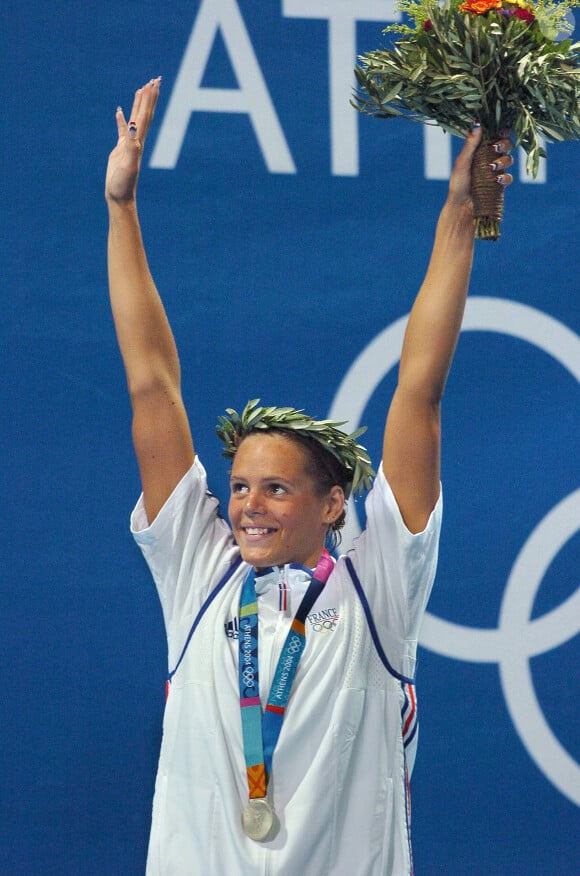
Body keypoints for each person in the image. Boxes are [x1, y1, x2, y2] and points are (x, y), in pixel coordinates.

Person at [106, 78, 513, 876]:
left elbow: (419, 392)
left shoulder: (378, 590)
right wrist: (121, 207)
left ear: (335, 504)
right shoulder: (198, 573)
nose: (247, 506)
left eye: (276, 488)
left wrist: (462, 211)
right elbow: (151, 385)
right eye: (241, 485)